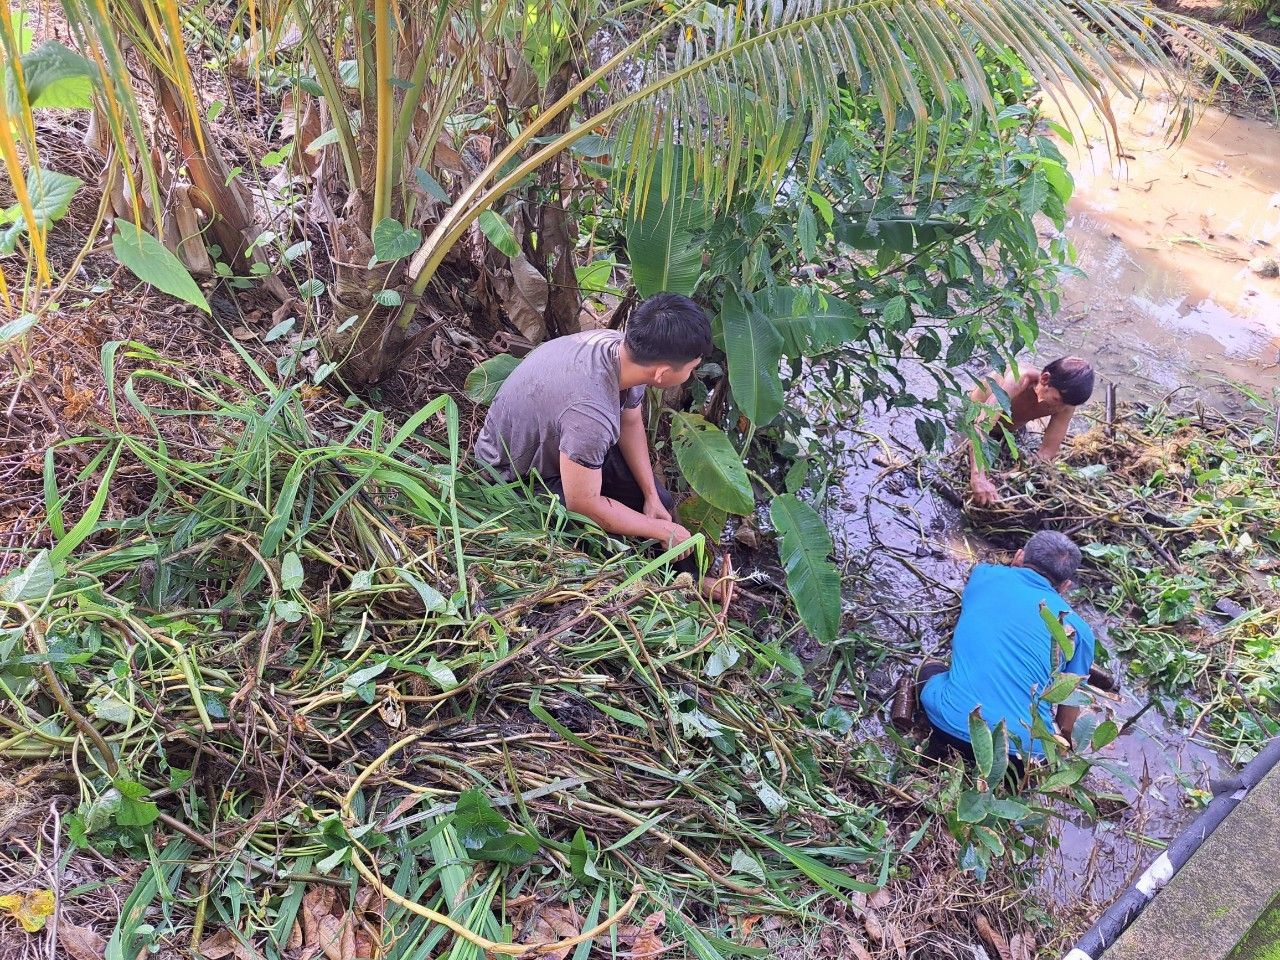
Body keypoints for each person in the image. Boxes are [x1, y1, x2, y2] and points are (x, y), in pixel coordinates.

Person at [473, 292, 731, 597]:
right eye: (690, 369)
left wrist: (650, 495)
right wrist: (660, 530)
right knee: (605, 544)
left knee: (660, 500)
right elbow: (584, 504)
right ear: (662, 373)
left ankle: (692, 579)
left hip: (561, 443)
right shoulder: (591, 413)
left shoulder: (617, 347)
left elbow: (630, 422)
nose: (690, 376)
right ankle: (675, 589)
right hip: (513, 475)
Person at [918, 531, 1095, 775]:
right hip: (1022, 756)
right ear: (1065, 586)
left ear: (1019, 557)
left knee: (931, 670)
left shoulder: (982, 575)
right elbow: (1066, 723)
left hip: (948, 725)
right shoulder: (1080, 631)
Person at [966, 357, 1095, 506]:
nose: (1060, 408)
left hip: (1009, 430)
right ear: (1045, 379)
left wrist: (1013, 475)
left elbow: (1046, 452)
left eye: (1066, 404)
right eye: (1057, 400)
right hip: (972, 420)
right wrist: (978, 477)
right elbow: (980, 426)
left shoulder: (1066, 403)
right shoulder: (1018, 378)